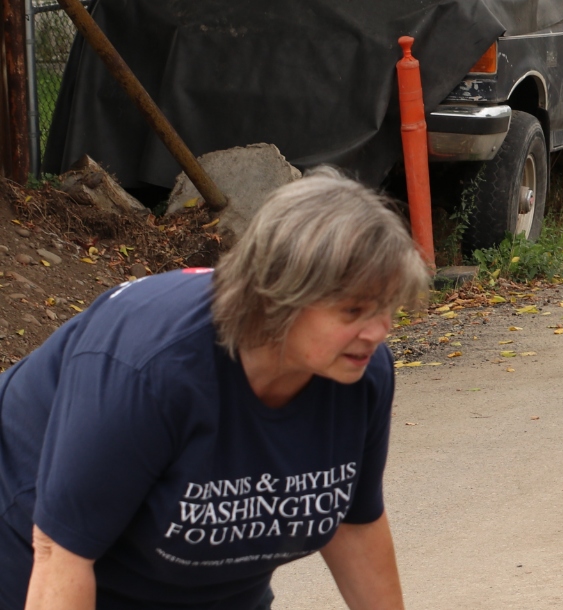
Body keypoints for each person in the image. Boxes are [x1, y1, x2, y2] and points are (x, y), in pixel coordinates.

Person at [0, 173, 427, 609]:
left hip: (199, 582)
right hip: (32, 555)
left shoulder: (359, 374)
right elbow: (61, 555)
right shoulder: (154, 369)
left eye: (386, 307)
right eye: (353, 310)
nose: (379, 331)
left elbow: (354, 525)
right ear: (275, 295)